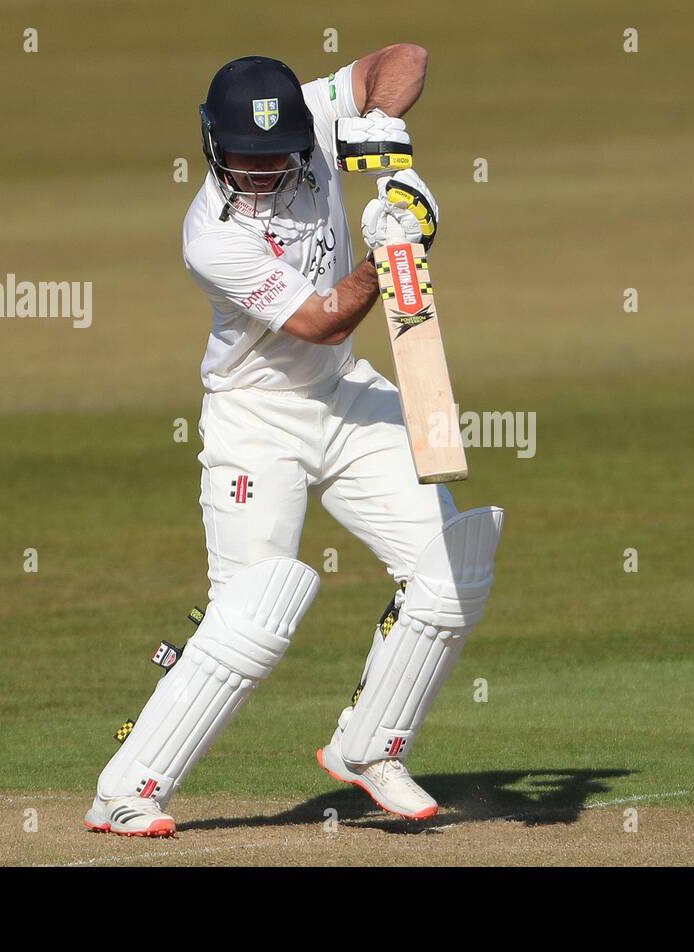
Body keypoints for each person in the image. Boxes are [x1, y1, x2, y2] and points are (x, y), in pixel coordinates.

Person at [83, 47, 503, 837]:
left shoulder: (309, 120)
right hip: (257, 418)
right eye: (246, 156)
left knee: (455, 569)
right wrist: (392, 252)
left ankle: (368, 746)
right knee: (254, 612)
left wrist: (382, 130)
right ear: (212, 142)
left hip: (344, 393)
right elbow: (321, 320)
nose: (264, 170)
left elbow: (403, 58)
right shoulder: (210, 235)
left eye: (278, 156)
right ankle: (126, 788)